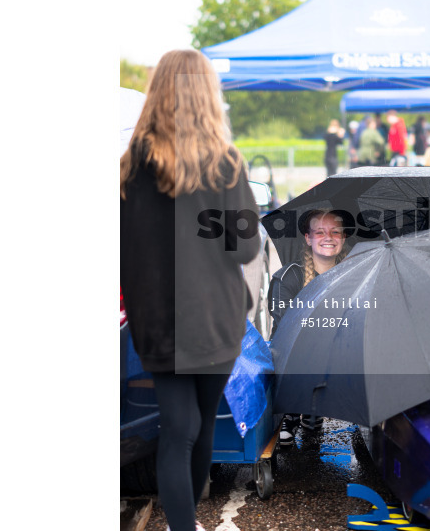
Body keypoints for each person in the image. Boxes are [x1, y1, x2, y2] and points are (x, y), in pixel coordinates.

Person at [120, 49, 260, 531]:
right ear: (208, 97)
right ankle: (189, 521)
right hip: (214, 319)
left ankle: (185, 525)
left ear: (157, 94)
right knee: (197, 429)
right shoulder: (224, 165)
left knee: (177, 429)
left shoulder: (127, 168)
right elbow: (243, 249)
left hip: (155, 320)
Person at [268, 209, 350, 443]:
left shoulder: (352, 276)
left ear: (343, 238)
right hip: (293, 356)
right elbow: (286, 329)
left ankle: (317, 405)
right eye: (320, 232)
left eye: (335, 232)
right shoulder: (287, 277)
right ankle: (292, 411)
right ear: (308, 238)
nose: (328, 237)